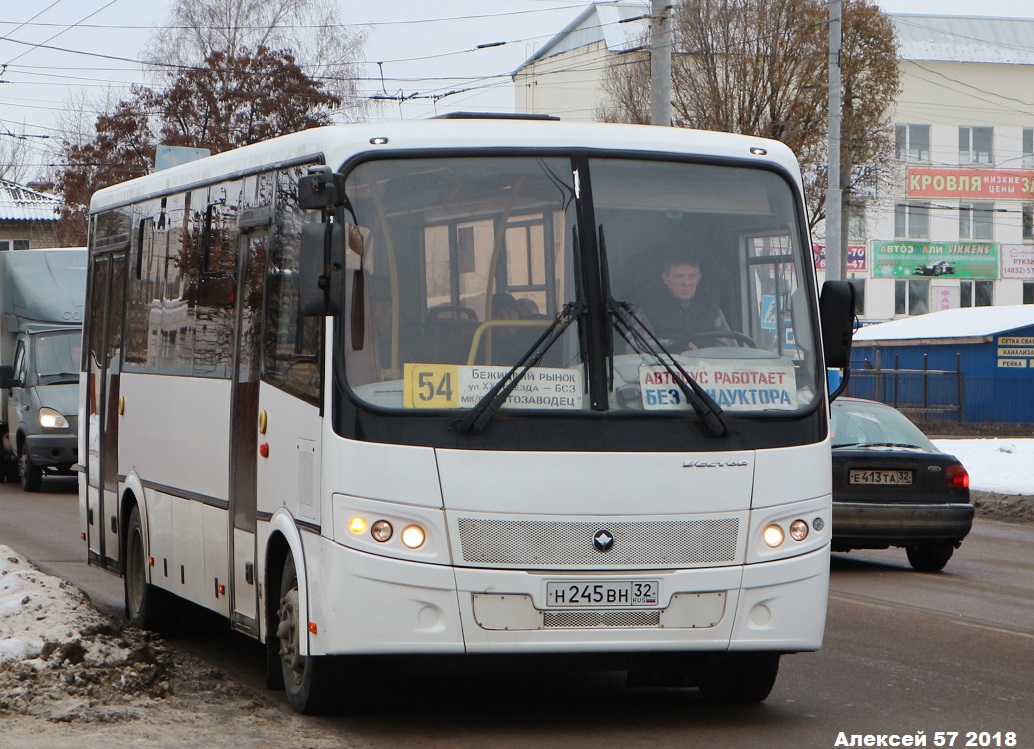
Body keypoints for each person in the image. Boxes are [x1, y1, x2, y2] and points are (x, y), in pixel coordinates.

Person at [636, 251, 729, 350]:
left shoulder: (712, 311)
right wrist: (673, 346)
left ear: (699, 278)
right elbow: (636, 346)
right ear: (665, 278)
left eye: (692, 276)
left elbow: (730, 351)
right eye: (679, 276)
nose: (686, 283)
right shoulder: (647, 311)